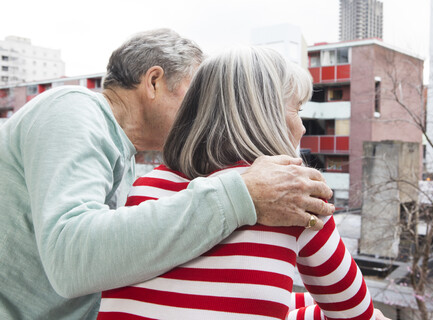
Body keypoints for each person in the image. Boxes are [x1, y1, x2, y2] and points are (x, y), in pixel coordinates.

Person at [0, 29, 335, 319]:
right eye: (197, 95)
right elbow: (71, 260)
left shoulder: (121, 154)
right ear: (154, 82)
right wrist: (241, 194)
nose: (206, 112)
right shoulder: (73, 110)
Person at [97, 46, 381, 320]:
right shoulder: (294, 197)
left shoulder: (148, 185)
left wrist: (302, 303)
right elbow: (354, 313)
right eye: (298, 110)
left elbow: (202, 294)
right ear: (267, 116)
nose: (303, 127)